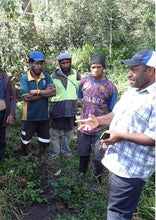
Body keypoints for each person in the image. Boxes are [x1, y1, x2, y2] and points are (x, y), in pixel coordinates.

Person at [76, 50, 156, 220]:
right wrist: (98, 120)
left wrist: (120, 136)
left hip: (132, 169)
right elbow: (116, 114)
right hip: (117, 162)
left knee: (118, 213)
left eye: (134, 69)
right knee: (116, 208)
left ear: (150, 70)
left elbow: (153, 137)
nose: (129, 74)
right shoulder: (132, 91)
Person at [77, 54, 118, 187]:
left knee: (98, 157)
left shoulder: (110, 87)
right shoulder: (83, 82)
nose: (95, 70)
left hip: (100, 130)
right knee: (83, 153)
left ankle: (97, 180)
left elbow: (113, 112)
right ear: (90, 68)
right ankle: (81, 173)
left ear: (103, 68)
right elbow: (80, 101)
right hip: (84, 127)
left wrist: (110, 131)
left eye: (98, 67)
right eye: (93, 67)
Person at [20, 51, 56, 157]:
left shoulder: (46, 76)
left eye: (41, 63)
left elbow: (53, 92)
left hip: (43, 116)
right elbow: (27, 97)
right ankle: (23, 156)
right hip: (29, 116)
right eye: (36, 63)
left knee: (44, 140)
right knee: (25, 140)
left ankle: (42, 157)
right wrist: (45, 93)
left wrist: (37, 92)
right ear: (30, 63)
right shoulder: (24, 78)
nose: (39, 66)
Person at [49, 52, 80, 159]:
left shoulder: (75, 73)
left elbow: (79, 88)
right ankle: (54, 154)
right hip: (57, 108)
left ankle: (66, 152)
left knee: (68, 133)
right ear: (59, 64)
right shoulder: (53, 76)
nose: (65, 65)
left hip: (70, 108)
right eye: (63, 63)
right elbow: (49, 91)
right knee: (55, 133)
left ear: (70, 63)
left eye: (67, 62)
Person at [0, 58, 16, 161]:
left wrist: (11, 114)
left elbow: (13, 96)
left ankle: (1, 160)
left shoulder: (4, 77)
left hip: (2, 115)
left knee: (1, 139)